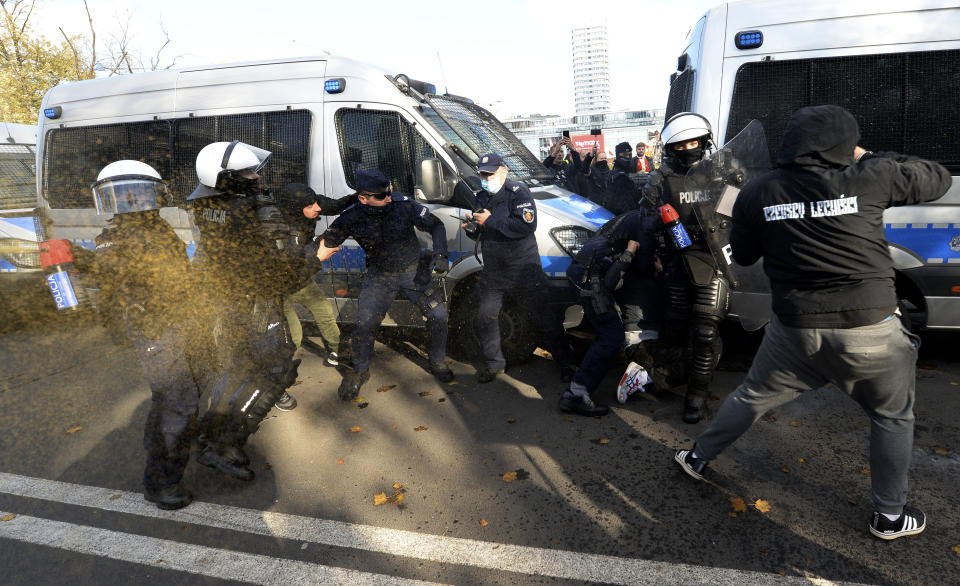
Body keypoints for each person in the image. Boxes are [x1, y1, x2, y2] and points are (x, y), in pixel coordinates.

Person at [675, 105, 952, 541]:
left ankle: (696, 459)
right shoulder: (871, 175)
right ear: (847, 144)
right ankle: (890, 517)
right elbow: (937, 178)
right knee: (892, 417)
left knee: (751, 396)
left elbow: (743, 256)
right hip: (870, 330)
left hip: (794, 331)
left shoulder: (760, 192)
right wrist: (868, 156)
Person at [89, 160, 205, 509]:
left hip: (178, 321)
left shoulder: (158, 227)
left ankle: (168, 457)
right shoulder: (115, 239)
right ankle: (161, 482)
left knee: (178, 398)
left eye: (138, 194)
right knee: (177, 401)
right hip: (155, 328)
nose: (132, 201)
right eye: (123, 196)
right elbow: (104, 285)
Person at [187, 140, 302, 480]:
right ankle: (228, 443)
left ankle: (208, 434)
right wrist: (313, 256)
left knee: (235, 367)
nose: (256, 177)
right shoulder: (258, 210)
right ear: (227, 178)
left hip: (226, 301)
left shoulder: (205, 206)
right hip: (257, 303)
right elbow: (286, 268)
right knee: (277, 368)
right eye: (248, 173)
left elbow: (205, 256)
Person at [315, 169, 452, 399]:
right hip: (380, 276)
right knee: (365, 323)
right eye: (381, 196)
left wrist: (440, 253)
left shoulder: (403, 204)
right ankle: (359, 370)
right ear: (363, 198)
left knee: (438, 316)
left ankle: (437, 361)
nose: (388, 198)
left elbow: (436, 225)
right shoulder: (351, 217)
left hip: (413, 272)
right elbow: (326, 243)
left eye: (388, 192)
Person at [642, 113, 725, 423]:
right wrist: (661, 230)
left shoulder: (720, 171)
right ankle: (674, 377)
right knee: (676, 326)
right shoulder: (660, 178)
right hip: (677, 260)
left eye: (693, 142)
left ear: (703, 142)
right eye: (681, 145)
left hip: (712, 257)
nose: (688, 148)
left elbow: (741, 207)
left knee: (705, 330)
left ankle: (697, 397)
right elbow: (646, 219)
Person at [465, 152, 573, 383]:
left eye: (490, 174)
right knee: (486, 316)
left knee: (546, 319)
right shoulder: (481, 196)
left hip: (523, 269)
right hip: (495, 272)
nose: (485, 178)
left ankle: (565, 364)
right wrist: (472, 227)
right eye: (482, 174)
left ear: (503, 171)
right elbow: (482, 227)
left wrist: (490, 221)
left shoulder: (518, 192)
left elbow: (526, 224)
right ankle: (495, 364)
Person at [563, 206, 661, 416]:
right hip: (590, 278)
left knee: (606, 333)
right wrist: (633, 255)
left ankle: (577, 380)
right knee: (611, 335)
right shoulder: (647, 223)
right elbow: (631, 271)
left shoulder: (635, 214)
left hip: (584, 272)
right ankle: (575, 395)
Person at [278, 183, 345, 366]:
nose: (317, 208)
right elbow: (291, 273)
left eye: (316, 202)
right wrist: (318, 258)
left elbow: (337, 205)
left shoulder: (309, 206)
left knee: (324, 313)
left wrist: (362, 195)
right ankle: (277, 375)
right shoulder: (282, 235)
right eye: (310, 206)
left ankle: (335, 351)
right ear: (295, 210)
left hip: (302, 279)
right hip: (282, 288)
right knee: (295, 335)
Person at [604, 141, 642, 214]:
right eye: (625, 155)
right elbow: (623, 203)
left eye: (630, 154)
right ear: (618, 155)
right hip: (624, 215)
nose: (628, 157)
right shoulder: (618, 175)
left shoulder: (627, 171)